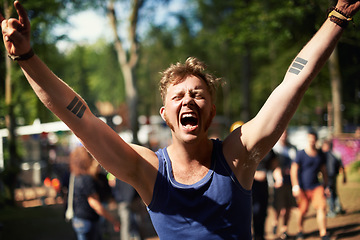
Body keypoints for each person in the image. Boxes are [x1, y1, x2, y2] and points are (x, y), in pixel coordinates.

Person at [1, 1, 360, 239]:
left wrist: (338, 17)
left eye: (198, 94)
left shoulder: (237, 156)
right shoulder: (146, 170)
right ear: (166, 116)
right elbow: (80, 118)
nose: (188, 99)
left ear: (211, 113)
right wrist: (28, 57)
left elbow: (293, 83)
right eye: (178, 96)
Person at [69, 146, 120, 240]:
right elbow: (95, 204)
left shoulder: (77, 177)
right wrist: (113, 220)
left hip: (79, 219)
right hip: (88, 221)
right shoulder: (87, 179)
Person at [290, 131, 329, 240]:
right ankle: (300, 230)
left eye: (314, 139)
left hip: (317, 186)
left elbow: (324, 171)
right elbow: (294, 170)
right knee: (302, 210)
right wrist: (295, 186)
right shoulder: (301, 154)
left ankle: (323, 233)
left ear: (316, 140)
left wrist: (326, 186)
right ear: (308, 139)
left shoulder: (320, 154)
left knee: (321, 207)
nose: (312, 141)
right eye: (310, 138)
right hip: (303, 188)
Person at [272, 130, 297, 239]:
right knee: (278, 206)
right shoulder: (275, 149)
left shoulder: (292, 149)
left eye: (285, 134)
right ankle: (275, 223)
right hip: (279, 183)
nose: (284, 137)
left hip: (290, 182)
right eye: (282, 134)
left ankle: (284, 230)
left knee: (288, 207)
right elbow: (273, 166)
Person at [252, 150, 277, 240]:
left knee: (263, 211)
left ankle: (260, 235)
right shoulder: (250, 146)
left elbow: (274, 164)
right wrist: (255, 174)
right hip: (250, 184)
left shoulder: (268, 148)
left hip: (264, 184)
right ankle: (255, 235)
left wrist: (277, 176)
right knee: (256, 210)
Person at [108, 175, 140, 240]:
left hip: (132, 200)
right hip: (123, 202)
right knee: (126, 224)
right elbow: (115, 188)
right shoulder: (117, 172)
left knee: (136, 222)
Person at [321, 139, 346, 217]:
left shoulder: (327, 155)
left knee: (328, 193)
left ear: (327, 146)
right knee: (334, 192)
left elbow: (330, 168)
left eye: (324, 146)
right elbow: (342, 167)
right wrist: (344, 177)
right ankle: (338, 208)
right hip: (334, 176)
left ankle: (332, 211)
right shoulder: (336, 154)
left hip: (329, 176)